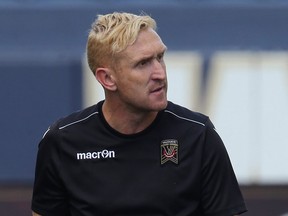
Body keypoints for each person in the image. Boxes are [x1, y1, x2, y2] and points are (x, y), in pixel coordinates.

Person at [31, 12, 247, 216]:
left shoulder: (199, 136)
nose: (160, 73)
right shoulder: (62, 142)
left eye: (160, 57)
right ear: (107, 79)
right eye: (143, 63)